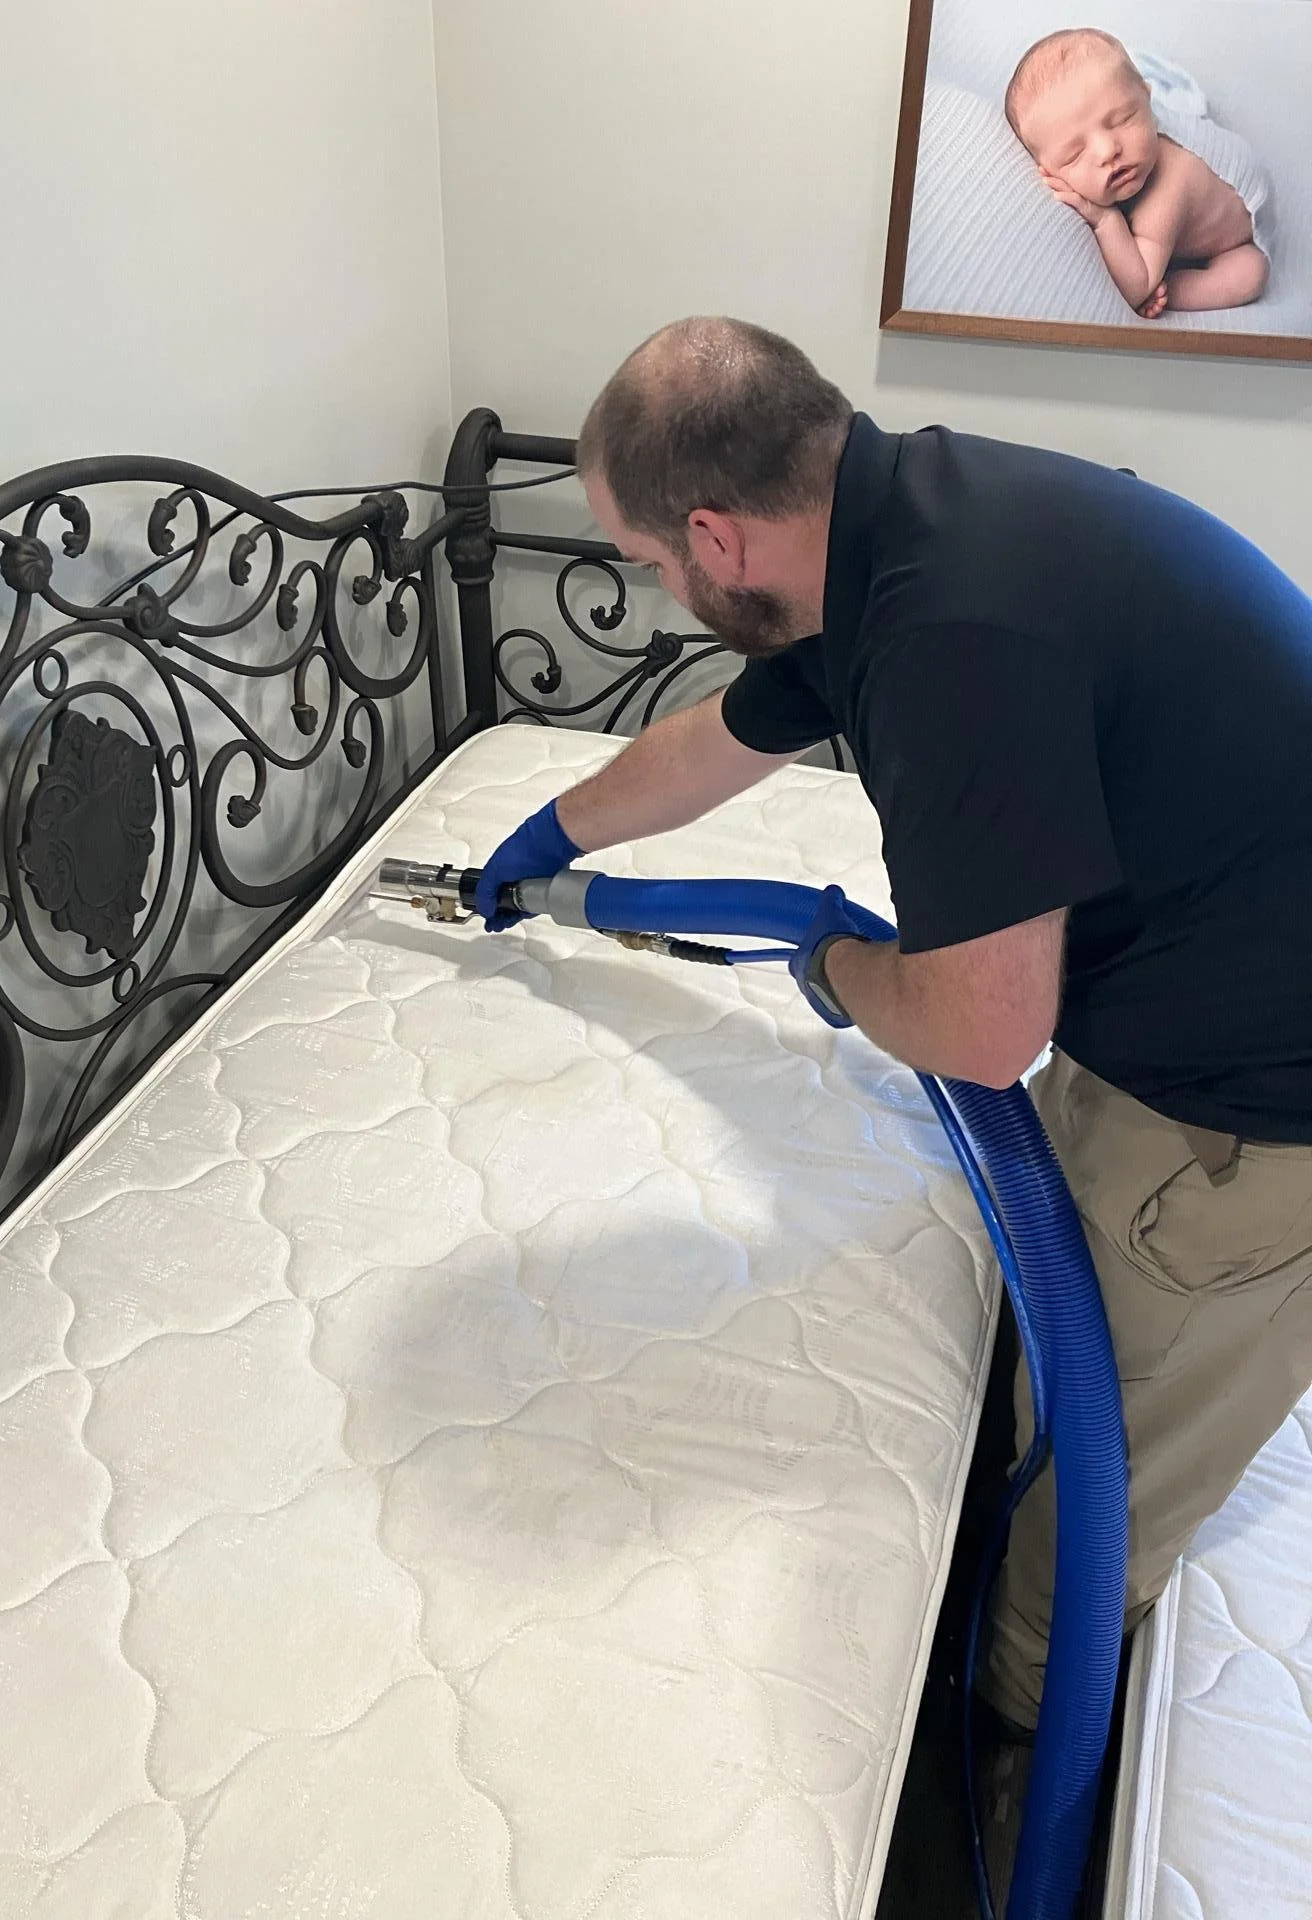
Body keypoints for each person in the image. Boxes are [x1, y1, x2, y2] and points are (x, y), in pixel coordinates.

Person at [474, 317, 1312, 1760]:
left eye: (648, 561)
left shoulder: (950, 641)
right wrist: (544, 842)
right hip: (1210, 980)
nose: (658, 590)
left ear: (718, 535)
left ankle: (999, 1773)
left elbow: (985, 1036)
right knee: (1044, 1364)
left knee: (1092, 1498)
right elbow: (710, 746)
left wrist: (839, 957)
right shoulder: (890, 523)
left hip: (1262, 1113)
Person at [1006, 28, 1268, 320]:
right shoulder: (1119, 159)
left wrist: (1106, 219)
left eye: (1123, 119)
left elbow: (1137, 284)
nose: (1107, 151)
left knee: (1251, 273)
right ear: (1047, 168)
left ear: (1146, 97)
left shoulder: (1167, 189)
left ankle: (1173, 289)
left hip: (1239, 222)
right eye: (1074, 154)